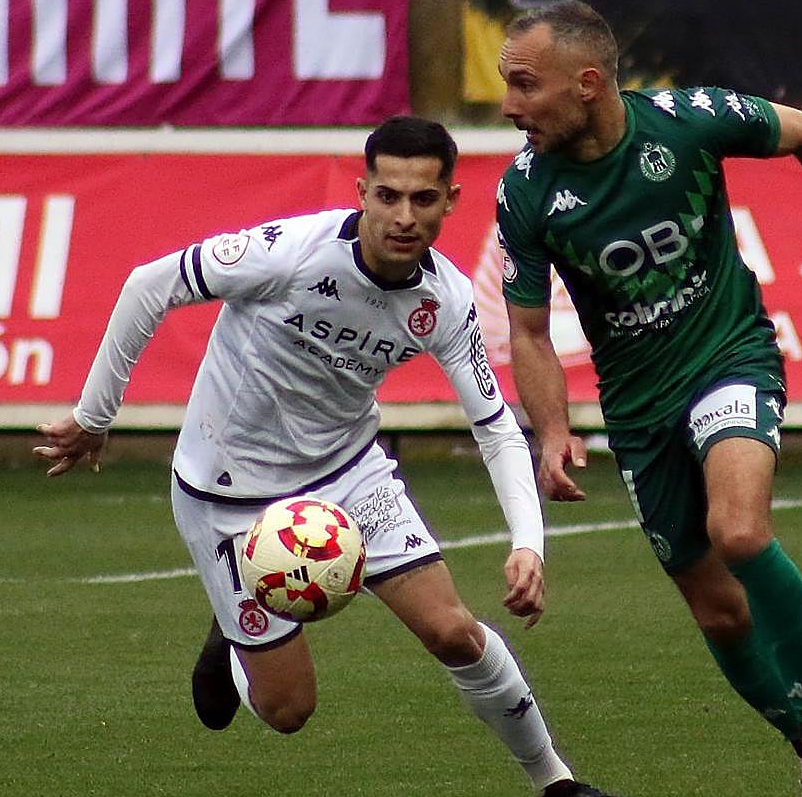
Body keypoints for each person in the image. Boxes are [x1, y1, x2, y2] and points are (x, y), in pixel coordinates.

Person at [34, 116, 617, 797]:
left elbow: (493, 424)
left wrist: (528, 545)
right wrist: (94, 416)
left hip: (347, 476)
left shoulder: (447, 301)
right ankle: (233, 644)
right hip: (227, 496)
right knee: (289, 711)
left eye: (423, 199)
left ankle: (557, 783)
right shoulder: (291, 253)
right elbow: (148, 285)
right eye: (389, 196)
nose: (404, 216)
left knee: (454, 632)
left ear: (451, 201)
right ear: (363, 192)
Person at [494, 2, 802, 797]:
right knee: (719, 612)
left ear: (587, 84)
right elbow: (528, 330)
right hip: (637, 407)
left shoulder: (688, 123)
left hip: (729, 357)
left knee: (741, 531)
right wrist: (550, 430)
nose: (510, 106)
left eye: (524, 85)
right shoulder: (525, 192)